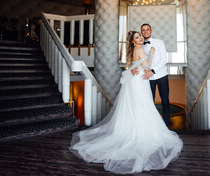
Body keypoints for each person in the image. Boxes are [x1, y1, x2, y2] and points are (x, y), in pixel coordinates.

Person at [69, 31, 183, 174]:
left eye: (140, 36)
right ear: (133, 42)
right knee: (142, 106)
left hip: (136, 81)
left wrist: (135, 67)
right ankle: (138, 133)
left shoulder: (135, 50)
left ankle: (133, 130)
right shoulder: (140, 49)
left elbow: (132, 65)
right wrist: (152, 53)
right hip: (139, 81)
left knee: (136, 107)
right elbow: (146, 67)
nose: (140, 37)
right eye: (137, 37)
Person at [132, 23, 170, 126]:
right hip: (146, 79)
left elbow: (164, 60)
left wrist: (152, 71)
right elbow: (134, 60)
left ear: (151, 31)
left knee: (165, 101)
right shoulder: (139, 45)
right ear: (141, 32)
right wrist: (131, 69)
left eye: (147, 29)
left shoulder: (159, 43)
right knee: (150, 103)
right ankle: (151, 126)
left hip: (161, 75)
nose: (145, 32)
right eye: (143, 30)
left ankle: (166, 125)